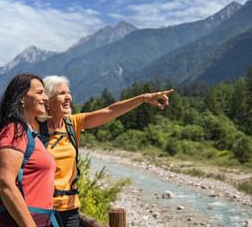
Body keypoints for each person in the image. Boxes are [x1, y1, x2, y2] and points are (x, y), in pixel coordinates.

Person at [35, 75, 174, 227]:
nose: (68, 97)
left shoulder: (73, 124)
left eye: (68, 92)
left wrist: (144, 98)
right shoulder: (34, 128)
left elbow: (110, 111)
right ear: (47, 100)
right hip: (42, 209)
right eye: (61, 93)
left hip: (70, 210)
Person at [0, 73, 59, 227]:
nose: (46, 98)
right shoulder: (14, 130)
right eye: (40, 92)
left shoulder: (30, 133)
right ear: (22, 98)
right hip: (23, 220)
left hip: (37, 219)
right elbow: (4, 183)